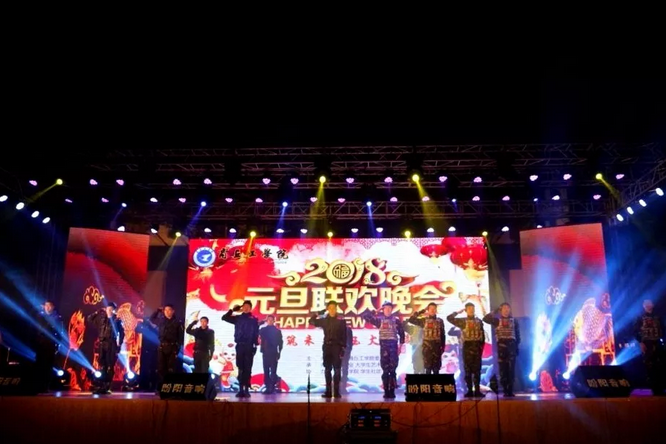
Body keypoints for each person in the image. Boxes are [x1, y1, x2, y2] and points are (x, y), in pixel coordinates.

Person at [362, 301, 405, 398]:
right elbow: (365, 317)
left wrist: (401, 344)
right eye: (385, 308)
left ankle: (392, 391)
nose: (388, 310)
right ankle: (386, 391)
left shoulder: (396, 321)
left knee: (392, 370)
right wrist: (376, 311)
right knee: (385, 371)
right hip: (384, 349)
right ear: (383, 309)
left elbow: (401, 333)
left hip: (393, 348)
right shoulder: (379, 321)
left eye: (389, 308)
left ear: (392, 309)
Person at [309, 301, 347, 398]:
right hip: (327, 347)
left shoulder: (341, 320)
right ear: (328, 309)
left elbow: (344, 335)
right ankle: (328, 392)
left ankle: (337, 392)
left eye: (334, 308)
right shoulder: (324, 320)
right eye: (330, 308)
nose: (332, 310)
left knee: (337, 369)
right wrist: (318, 313)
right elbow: (311, 321)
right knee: (327, 369)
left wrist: (343, 348)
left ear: (336, 309)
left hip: (337, 347)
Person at [222, 300, 259, 398]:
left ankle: (246, 389)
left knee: (248, 368)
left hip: (249, 346)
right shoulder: (238, 318)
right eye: (244, 306)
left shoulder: (254, 319)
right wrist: (232, 310)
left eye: (248, 307)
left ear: (250, 308)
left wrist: (255, 346)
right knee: (240, 368)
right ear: (242, 308)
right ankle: (240, 389)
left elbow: (256, 333)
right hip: (240, 345)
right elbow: (224, 318)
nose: (246, 308)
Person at [448, 302, 486, 398]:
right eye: (469, 308)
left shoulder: (479, 321)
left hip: (477, 347)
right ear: (466, 310)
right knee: (467, 370)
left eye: (472, 308)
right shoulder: (463, 321)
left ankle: (477, 390)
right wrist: (458, 312)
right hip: (466, 348)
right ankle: (469, 390)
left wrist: (481, 347)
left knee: (477, 370)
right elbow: (449, 318)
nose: (471, 310)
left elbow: (482, 335)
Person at [483, 302, 520, 397]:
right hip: (501, 348)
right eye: (504, 308)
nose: (506, 310)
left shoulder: (514, 321)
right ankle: (505, 390)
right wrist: (495, 310)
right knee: (503, 370)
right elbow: (485, 319)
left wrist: (516, 347)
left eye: (508, 308)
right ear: (501, 310)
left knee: (511, 370)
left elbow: (517, 335)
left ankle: (510, 390)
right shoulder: (497, 321)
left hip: (511, 348)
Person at [86, 302, 124, 394]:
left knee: (110, 366)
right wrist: (97, 312)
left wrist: (119, 344)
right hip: (102, 344)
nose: (109, 311)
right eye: (108, 309)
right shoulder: (101, 319)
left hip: (111, 344)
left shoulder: (117, 320)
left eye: (111, 309)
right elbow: (89, 319)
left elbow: (122, 333)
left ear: (114, 310)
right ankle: (102, 385)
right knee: (102, 365)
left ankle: (108, 386)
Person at [149, 304, 184, 390]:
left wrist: (177, 349)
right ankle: (161, 387)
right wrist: (157, 311)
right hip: (162, 347)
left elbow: (180, 337)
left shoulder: (177, 322)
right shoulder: (161, 321)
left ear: (173, 311)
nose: (167, 312)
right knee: (161, 368)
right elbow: (152, 319)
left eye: (169, 310)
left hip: (172, 347)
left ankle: (170, 387)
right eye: (166, 310)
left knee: (171, 368)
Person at [634, 299, 664, 395]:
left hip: (657, 342)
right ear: (643, 306)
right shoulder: (640, 317)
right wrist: (641, 343)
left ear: (653, 305)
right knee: (649, 366)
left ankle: (660, 387)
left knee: (660, 365)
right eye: (645, 304)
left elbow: (663, 329)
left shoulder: (658, 316)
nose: (647, 305)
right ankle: (653, 388)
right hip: (647, 343)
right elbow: (635, 331)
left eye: (649, 303)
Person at [407, 302, 445, 375]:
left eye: (434, 309)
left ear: (436, 310)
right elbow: (411, 320)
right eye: (431, 309)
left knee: (436, 369)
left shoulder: (440, 321)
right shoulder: (424, 320)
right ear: (428, 310)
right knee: (428, 369)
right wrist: (421, 311)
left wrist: (443, 346)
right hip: (427, 347)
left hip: (437, 347)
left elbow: (442, 334)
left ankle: (436, 382)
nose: (432, 310)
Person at [35, 300, 63, 392]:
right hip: (41, 343)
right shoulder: (40, 316)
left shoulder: (57, 318)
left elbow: (60, 332)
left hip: (50, 343)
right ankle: (38, 384)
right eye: (46, 305)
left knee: (48, 365)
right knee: (39, 364)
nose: (47, 307)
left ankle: (46, 385)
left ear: (53, 307)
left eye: (49, 305)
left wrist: (58, 343)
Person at [258, 314, 283, 394]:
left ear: (274, 321)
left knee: (273, 371)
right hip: (265, 352)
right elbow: (256, 330)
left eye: (271, 320)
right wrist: (262, 322)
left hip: (274, 352)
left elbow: (280, 343)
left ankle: (272, 387)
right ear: (266, 320)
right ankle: (267, 387)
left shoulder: (277, 331)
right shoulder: (263, 330)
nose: (270, 321)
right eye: (268, 320)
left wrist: (279, 352)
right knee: (266, 370)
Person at [340, 323, 353, 394]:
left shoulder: (348, 329)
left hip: (345, 353)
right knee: (338, 370)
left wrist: (348, 350)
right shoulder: (336, 329)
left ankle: (343, 388)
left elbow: (350, 342)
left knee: (344, 370)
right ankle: (338, 388)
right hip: (338, 352)